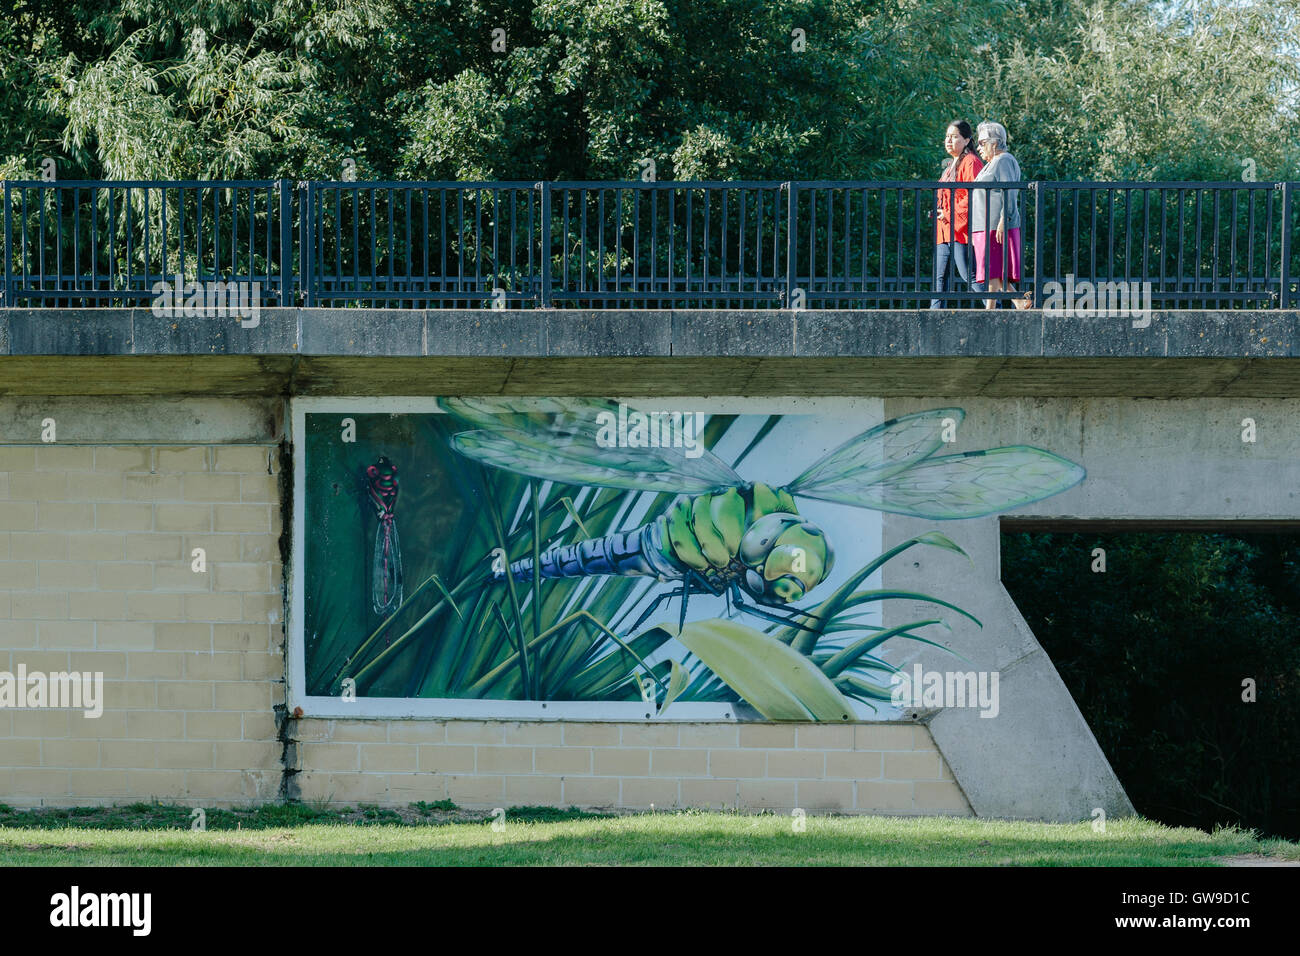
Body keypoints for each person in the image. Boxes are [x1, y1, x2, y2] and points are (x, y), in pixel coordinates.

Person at [970, 121, 1030, 309]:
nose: (978, 147)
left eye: (982, 142)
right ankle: (1009, 304)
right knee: (993, 272)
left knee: (993, 270)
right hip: (985, 225)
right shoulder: (992, 163)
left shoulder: (1004, 160)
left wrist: (1005, 219)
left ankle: (1015, 303)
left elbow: (1009, 191)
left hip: (995, 225)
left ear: (994, 143)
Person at [931, 120, 983, 309]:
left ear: (967, 139)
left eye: (954, 137)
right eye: (947, 137)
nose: (949, 140)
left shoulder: (971, 162)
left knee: (969, 275)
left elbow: (973, 195)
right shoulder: (950, 164)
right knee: (939, 278)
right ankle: (934, 314)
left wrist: (949, 213)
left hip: (959, 228)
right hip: (944, 228)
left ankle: (996, 307)